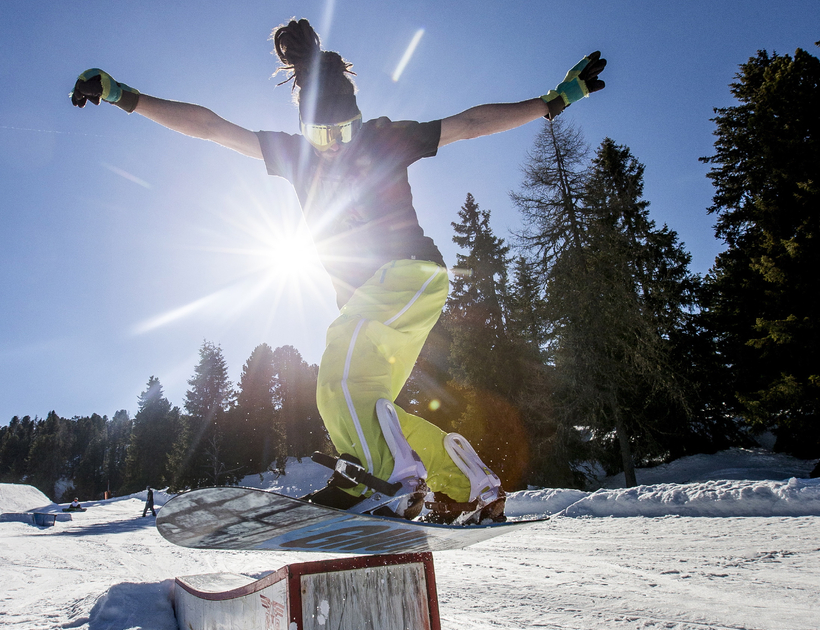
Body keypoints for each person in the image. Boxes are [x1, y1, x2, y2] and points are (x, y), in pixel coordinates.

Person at [72, 18, 606, 524]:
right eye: (322, 137)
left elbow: (468, 124)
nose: (334, 148)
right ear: (305, 129)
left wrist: (552, 101)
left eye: (345, 133)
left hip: (407, 273)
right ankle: (469, 485)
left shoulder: (384, 138)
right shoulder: (294, 155)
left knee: (336, 372)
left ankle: (386, 480)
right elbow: (211, 127)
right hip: (383, 298)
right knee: (352, 401)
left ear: (358, 119)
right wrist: (126, 97)